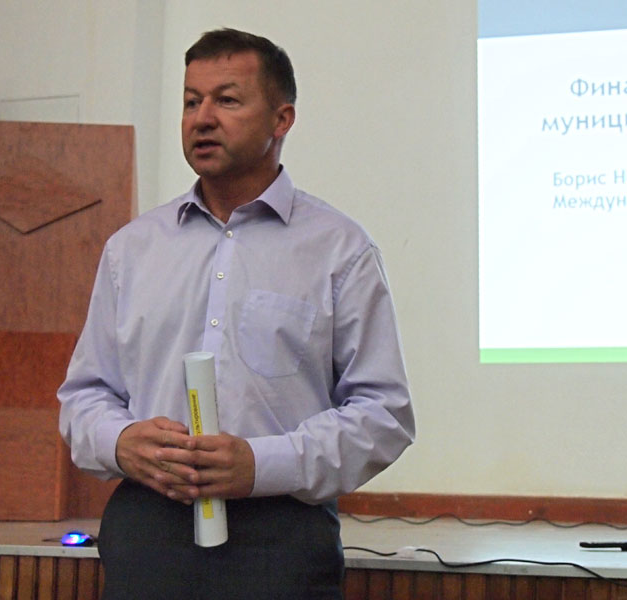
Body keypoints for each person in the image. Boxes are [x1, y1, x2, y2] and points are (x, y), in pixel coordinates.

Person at [58, 28, 415, 599]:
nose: (202, 118)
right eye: (190, 101)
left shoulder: (338, 249)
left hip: (280, 536)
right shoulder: (132, 249)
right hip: (148, 532)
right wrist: (120, 441)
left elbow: (383, 414)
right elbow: (84, 396)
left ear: (282, 119)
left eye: (226, 100)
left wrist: (261, 463)